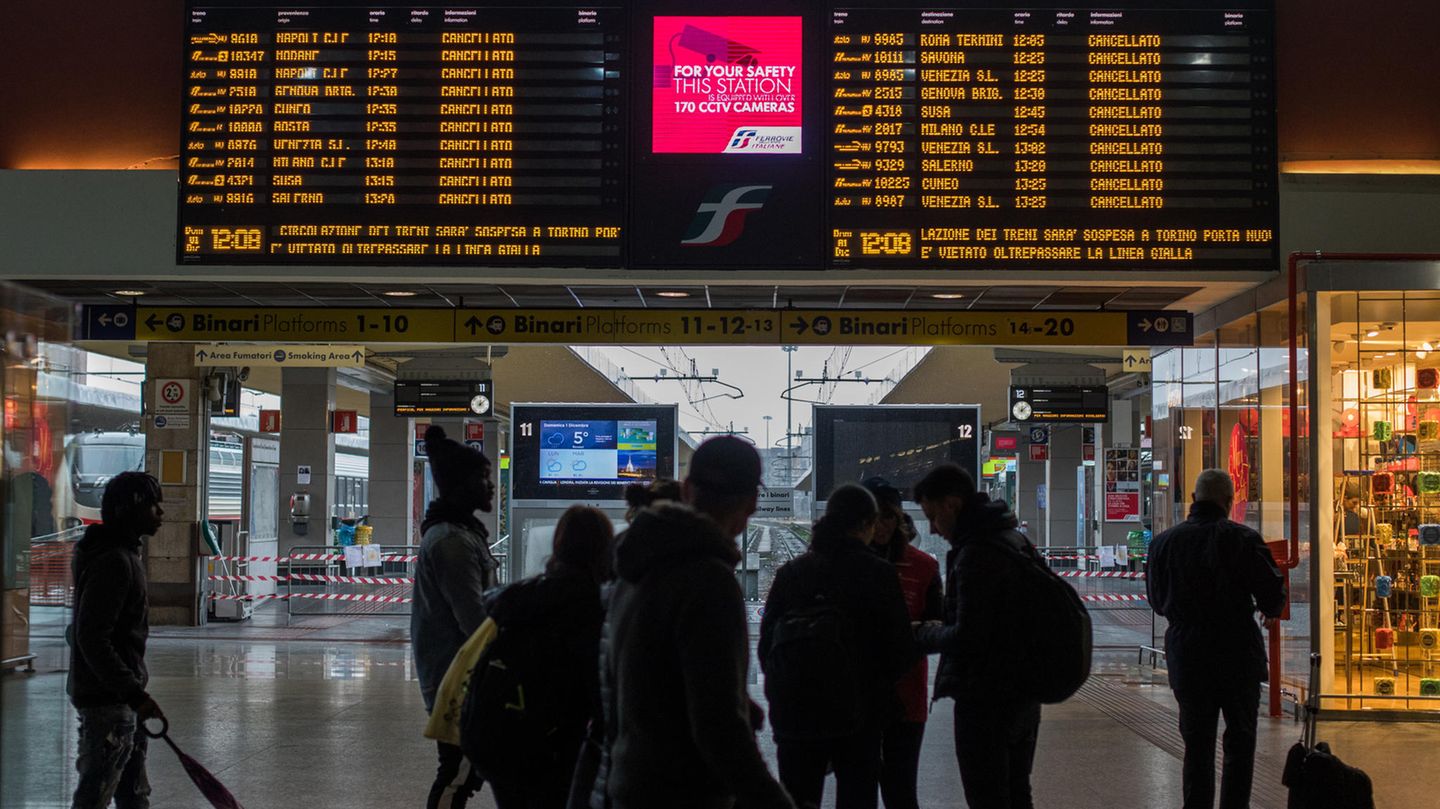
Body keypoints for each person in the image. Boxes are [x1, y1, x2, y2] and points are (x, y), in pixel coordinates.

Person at [597, 436, 795, 809]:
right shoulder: (709, 580)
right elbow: (717, 725)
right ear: (753, 501)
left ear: (687, 490)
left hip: (631, 781)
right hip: (685, 792)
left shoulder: (633, 566)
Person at [759, 483, 913, 809]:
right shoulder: (879, 573)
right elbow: (900, 650)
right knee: (857, 799)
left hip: (796, 714)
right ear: (867, 524)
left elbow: (767, 643)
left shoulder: (792, 572)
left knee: (798, 800)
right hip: (860, 715)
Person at [1147, 469, 1286, 809]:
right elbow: (1273, 596)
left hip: (1187, 653)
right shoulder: (1244, 539)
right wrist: (1264, 607)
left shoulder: (1163, 543)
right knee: (1240, 741)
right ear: (1230, 501)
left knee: (1197, 744)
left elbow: (1156, 600)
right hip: (1237, 650)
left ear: (1193, 499)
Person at [912, 463, 1040, 809]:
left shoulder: (977, 553)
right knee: (1017, 791)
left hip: (985, 697)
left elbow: (970, 636)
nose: (932, 529)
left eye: (932, 515)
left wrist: (926, 633)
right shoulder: (1015, 540)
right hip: (1024, 694)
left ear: (952, 505)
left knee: (988, 796)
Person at [485, 505, 614, 809]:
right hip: (561, 744)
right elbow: (599, 694)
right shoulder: (594, 609)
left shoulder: (514, 600)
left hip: (506, 737)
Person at [413, 425, 499, 809]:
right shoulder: (452, 542)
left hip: (457, 673)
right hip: (458, 678)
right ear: (463, 484)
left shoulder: (462, 533)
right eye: (484, 477)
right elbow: (474, 621)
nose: (491, 485)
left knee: (460, 770)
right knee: (458, 773)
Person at [68, 471, 165, 809]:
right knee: (96, 794)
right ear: (130, 508)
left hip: (122, 698)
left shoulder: (116, 555)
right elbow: (91, 636)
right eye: (154, 505)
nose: (161, 513)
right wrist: (131, 690)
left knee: (133, 793)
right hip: (109, 702)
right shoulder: (114, 561)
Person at [862, 477, 942, 809]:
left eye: (888, 517)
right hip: (858, 694)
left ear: (899, 519)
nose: (880, 526)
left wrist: (908, 632)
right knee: (858, 787)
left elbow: (939, 625)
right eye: (873, 518)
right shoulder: (849, 564)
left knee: (900, 788)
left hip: (906, 694)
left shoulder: (924, 566)